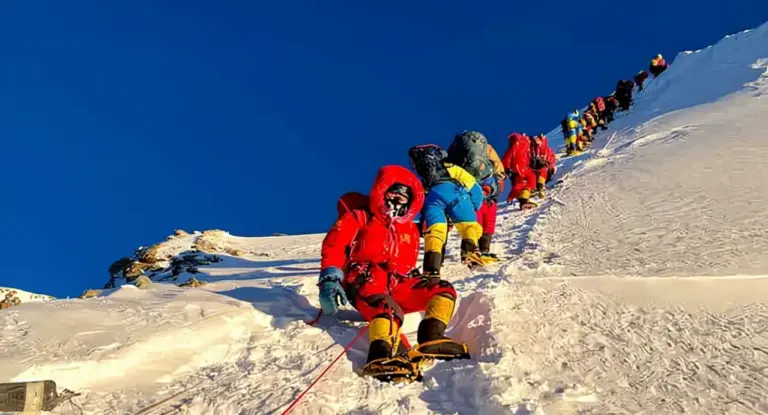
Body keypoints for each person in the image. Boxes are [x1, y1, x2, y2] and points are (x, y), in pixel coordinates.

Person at [319, 165, 469, 382]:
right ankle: (379, 357)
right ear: (382, 191)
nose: (398, 199)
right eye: (393, 192)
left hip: (398, 281)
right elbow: (334, 244)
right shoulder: (360, 217)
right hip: (365, 278)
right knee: (387, 308)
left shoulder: (408, 227)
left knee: (442, 289)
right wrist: (330, 278)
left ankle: (432, 338)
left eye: (404, 196)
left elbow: (431, 225)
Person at [408, 144, 488, 276]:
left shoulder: (424, 180)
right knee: (469, 226)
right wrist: (473, 206)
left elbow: (421, 200)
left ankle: (431, 267)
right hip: (456, 195)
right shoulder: (451, 168)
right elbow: (474, 187)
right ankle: (469, 251)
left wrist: (424, 219)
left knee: (435, 232)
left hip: (433, 200)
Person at [476, 142, 506, 258]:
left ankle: (471, 249)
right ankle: (484, 249)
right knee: (488, 222)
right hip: (490, 197)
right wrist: (501, 177)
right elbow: (498, 165)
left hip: (474, 195)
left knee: (475, 222)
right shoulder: (488, 148)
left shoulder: (461, 152)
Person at [502, 133, 537, 209]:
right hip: (522, 168)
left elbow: (506, 159)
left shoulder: (513, 148)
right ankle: (523, 199)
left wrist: (507, 168)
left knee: (521, 184)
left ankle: (522, 198)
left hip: (518, 169)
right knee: (529, 181)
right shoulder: (523, 144)